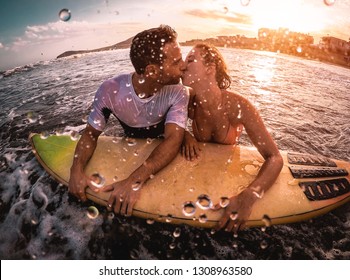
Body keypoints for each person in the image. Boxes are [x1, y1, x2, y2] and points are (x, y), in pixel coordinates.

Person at [69, 25, 189, 217]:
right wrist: (76, 170)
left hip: (162, 140)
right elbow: (90, 135)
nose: (184, 65)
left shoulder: (178, 91)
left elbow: (173, 140)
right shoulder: (110, 91)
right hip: (132, 138)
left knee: (180, 134)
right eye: (176, 62)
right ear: (151, 71)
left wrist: (134, 180)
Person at [181, 43, 283, 233]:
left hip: (229, 166)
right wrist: (185, 135)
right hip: (203, 171)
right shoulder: (188, 102)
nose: (182, 66)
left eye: (190, 60)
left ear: (210, 69)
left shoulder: (239, 107)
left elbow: (275, 158)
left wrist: (249, 196)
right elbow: (163, 125)